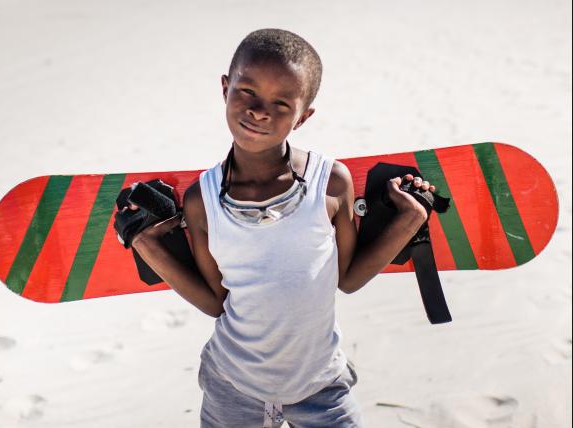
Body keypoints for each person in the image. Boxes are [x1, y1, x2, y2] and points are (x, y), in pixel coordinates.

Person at [125, 29, 435, 427]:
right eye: (247, 92)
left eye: (281, 103)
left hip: (321, 387)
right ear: (225, 88)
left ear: (303, 117)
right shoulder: (202, 200)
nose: (259, 111)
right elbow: (215, 302)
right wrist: (147, 245)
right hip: (232, 385)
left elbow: (349, 278)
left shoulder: (331, 183)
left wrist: (411, 219)